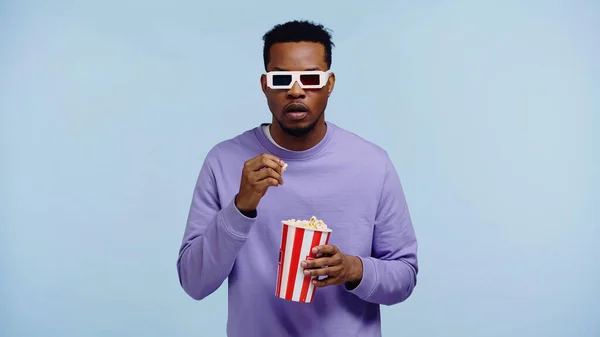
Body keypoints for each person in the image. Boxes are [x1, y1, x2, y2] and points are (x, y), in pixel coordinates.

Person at [177, 20, 418, 337]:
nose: (295, 90)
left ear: (330, 84)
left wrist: (352, 269)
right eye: (281, 79)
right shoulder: (224, 161)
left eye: (310, 78)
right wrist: (241, 207)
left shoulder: (372, 164)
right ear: (265, 85)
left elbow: (404, 278)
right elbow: (194, 282)